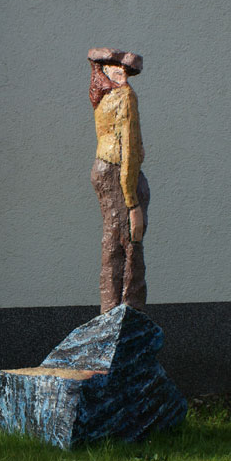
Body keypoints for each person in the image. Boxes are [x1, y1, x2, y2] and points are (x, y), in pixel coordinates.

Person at [88, 47, 150, 313]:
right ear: (104, 69)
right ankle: (126, 313)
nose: (123, 73)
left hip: (103, 168)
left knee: (113, 241)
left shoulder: (103, 97)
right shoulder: (124, 96)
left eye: (127, 69)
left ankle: (111, 311)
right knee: (128, 241)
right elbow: (129, 150)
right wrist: (132, 202)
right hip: (120, 173)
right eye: (117, 67)